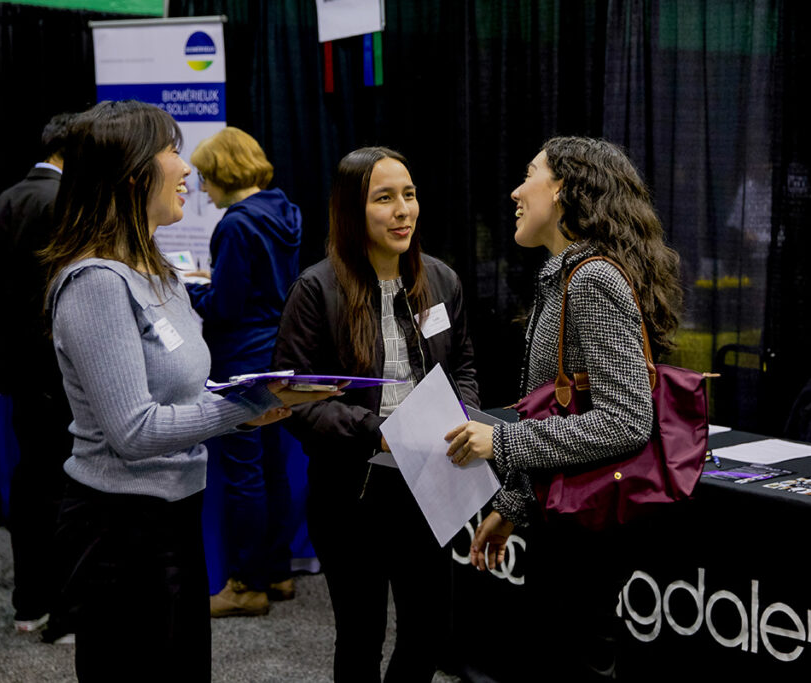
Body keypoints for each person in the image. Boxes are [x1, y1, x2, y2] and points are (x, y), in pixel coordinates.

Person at [41, 100, 337, 681]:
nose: (187, 171)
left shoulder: (161, 273)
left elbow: (182, 395)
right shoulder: (96, 283)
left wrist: (263, 404)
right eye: (173, 152)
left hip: (175, 517)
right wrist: (245, 404)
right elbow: (133, 432)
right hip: (119, 531)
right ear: (132, 176)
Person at [444, 136, 682, 677]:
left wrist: (501, 441)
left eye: (530, 173)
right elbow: (561, 415)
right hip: (569, 519)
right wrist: (516, 504)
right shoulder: (568, 276)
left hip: (588, 530)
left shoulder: (592, 278)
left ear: (565, 189)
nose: (514, 191)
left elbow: (625, 420)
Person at [273, 146, 479, 682]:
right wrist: (376, 433)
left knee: (428, 632)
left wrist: (468, 420)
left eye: (409, 195)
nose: (403, 210)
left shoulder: (441, 280)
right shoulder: (316, 290)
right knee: (361, 636)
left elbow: (463, 366)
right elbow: (295, 401)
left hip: (432, 482)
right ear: (350, 210)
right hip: (353, 492)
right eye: (384, 198)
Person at [186, 126, 303, 616]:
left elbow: (225, 308)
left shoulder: (235, 224)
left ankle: (247, 584)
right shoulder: (285, 212)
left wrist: (188, 289)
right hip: (279, 355)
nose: (202, 190)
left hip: (240, 361)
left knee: (242, 474)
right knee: (272, 466)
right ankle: (276, 573)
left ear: (223, 173)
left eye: (206, 178)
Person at [0, 112, 76, 640]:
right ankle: (62, 613)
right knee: (61, 487)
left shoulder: (4, 199)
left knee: (30, 482)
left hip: (17, 368)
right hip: (56, 373)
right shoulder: (61, 202)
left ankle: (29, 603)